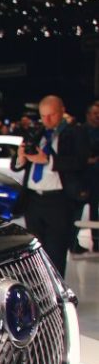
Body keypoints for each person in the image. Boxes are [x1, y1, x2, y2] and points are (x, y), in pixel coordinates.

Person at [12, 95, 92, 276]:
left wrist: (49, 160)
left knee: (56, 251)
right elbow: (17, 164)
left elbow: (80, 161)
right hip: (33, 200)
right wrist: (21, 157)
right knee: (34, 252)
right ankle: (38, 288)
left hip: (58, 200)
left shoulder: (75, 133)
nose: (47, 120)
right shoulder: (37, 133)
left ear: (62, 111)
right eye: (43, 116)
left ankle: (56, 290)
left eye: (51, 115)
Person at [76, 101, 99, 253]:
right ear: (88, 115)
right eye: (95, 113)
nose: (98, 116)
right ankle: (73, 243)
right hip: (82, 178)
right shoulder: (79, 131)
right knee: (76, 212)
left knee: (95, 213)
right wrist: (85, 160)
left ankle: (96, 243)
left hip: (96, 178)